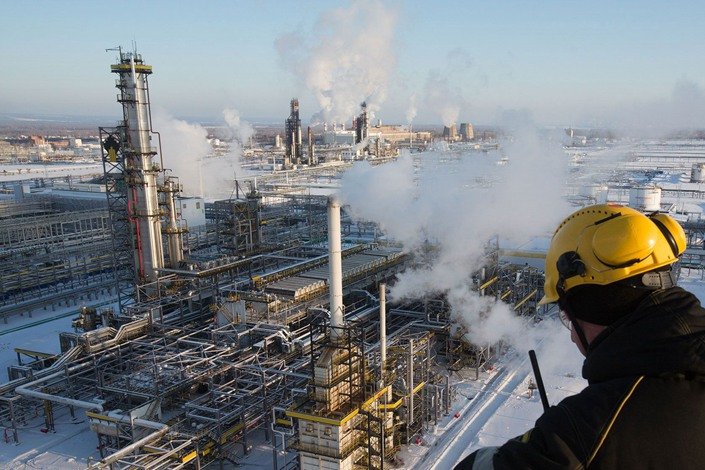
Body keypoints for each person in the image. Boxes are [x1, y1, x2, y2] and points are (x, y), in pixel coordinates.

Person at [455, 203, 705, 469]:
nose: (573, 337)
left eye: (568, 319)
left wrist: (554, 439)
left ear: (595, 307)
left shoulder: (588, 435)